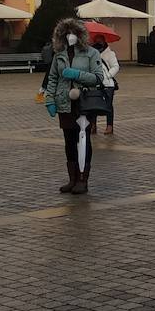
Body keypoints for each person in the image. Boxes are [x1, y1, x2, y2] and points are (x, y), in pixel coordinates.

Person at [45, 17, 106, 194]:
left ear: (80, 35)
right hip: (64, 104)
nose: (70, 37)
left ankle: (82, 179)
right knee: (69, 141)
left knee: (83, 141)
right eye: (66, 34)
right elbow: (53, 78)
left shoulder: (91, 53)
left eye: (73, 33)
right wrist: (50, 99)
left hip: (84, 104)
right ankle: (72, 179)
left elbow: (98, 78)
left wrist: (76, 74)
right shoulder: (60, 54)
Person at [94, 34, 121, 135]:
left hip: (107, 84)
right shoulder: (92, 52)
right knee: (93, 103)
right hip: (95, 82)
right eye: (96, 40)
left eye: (100, 40)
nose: (98, 42)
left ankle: (109, 125)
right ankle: (93, 124)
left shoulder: (110, 53)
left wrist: (108, 75)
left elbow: (115, 66)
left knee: (108, 105)